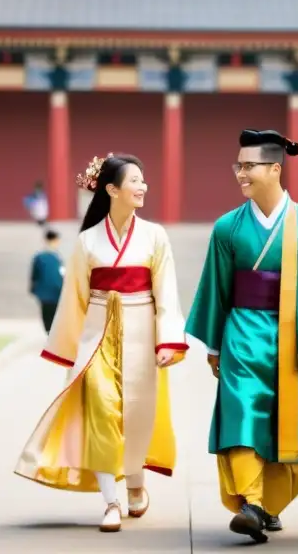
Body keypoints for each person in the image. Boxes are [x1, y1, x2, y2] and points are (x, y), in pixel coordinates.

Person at [184, 128, 298, 544]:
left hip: (292, 337)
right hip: (242, 332)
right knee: (241, 415)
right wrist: (215, 344)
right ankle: (252, 502)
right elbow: (217, 287)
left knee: (286, 421)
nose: (240, 174)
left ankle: (269, 505)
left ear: (275, 168)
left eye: (248, 166)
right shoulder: (227, 228)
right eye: (237, 166)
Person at [14, 154, 188, 533]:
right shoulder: (87, 241)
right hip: (97, 337)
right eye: (135, 181)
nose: (143, 187)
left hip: (142, 330)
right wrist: (66, 347)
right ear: (112, 189)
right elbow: (73, 297)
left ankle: (136, 483)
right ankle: (110, 501)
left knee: (139, 412)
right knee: (100, 412)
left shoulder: (155, 235)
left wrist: (167, 339)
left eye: (144, 180)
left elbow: (167, 291)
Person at [30, 229, 64, 332]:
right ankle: (51, 334)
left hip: (46, 291)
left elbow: (34, 276)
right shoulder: (51, 257)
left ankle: (50, 334)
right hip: (53, 291)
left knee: (48, 314)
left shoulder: (46, 257)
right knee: (51, 314)